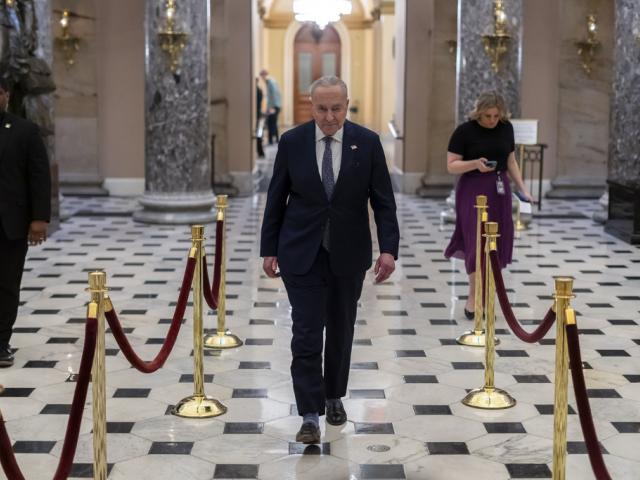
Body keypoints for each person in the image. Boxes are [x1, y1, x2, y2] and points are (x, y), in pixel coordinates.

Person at [260, 75, 399, 444]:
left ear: (347, 104)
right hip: (300, 252)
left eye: (336, 108)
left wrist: (388, 249)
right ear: (311, 106)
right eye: (321, 108)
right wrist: (268, 248)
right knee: (305, 333)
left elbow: (383, 201)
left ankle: (334, 395)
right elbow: (276, 197)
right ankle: (309, 413)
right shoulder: (292, 142)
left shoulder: (367, 143)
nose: (329, 116)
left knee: (341, 329)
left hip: (348, 254)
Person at [444, 91, 533, 319]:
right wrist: (475, 163)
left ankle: (488, 293)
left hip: (499, 189)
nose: (492, 120)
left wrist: (523, 189)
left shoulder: (506, 128)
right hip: (472, 189)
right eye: (487, 116)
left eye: (496, 116)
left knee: (496, 240)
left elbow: (511, 161)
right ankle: (474, 295)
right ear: (478, 113)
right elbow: (451, 165)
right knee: (476, 240)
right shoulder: (465, 131)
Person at [0, 76, 51, 368]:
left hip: (10, 224)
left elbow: (39, 177)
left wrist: (38, 219)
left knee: (6, 284)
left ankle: (1, 343)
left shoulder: (24, 131)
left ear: (5, 94)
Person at [259, 69, 281, 145]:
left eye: (262, 76)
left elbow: (274, 95)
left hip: (274, 106)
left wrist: (272, 107)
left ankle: (271, 140)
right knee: (273, 122)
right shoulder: (270, 82)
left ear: (264, 75)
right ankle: (276, 139)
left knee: (271, 123)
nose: (262, 78)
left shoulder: (271, 82)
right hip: (274, 105)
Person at [255, 77, 265, 158]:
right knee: (259, 133)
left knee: (258, 133)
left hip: (256, 115)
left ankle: (260, 150)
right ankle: (260, 151)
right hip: (258, 114)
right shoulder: (260, 91)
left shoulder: (256, 91)